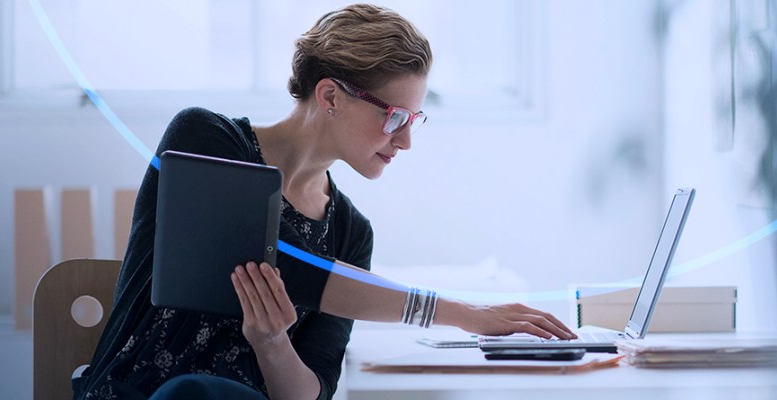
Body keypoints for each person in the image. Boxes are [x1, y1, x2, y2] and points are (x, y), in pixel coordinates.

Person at [75, 4, 575, 399]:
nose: (404, 142)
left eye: (414, 120)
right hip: (132, 391)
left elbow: (312, 393)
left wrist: (272, 345)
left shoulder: (352, 234)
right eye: (396, 117)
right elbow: (293, 265)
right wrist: (465, 314)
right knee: (189, 393)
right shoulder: (204, 140)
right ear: (331, 96)